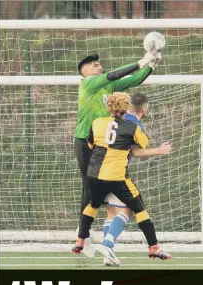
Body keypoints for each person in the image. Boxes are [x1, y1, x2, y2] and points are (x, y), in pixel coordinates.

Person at [73, 52, 160, 257]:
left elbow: (133, 80)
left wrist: (150, 66)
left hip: (105, 145)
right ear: (85, 71)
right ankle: (83, 237)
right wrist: (140, 61)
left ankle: (103, 240)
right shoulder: (89, 84)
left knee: (103, 191)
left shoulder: (106, 88)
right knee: (90, 188)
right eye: (95, 64)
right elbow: (113, 75)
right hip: (87, 142)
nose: (99, 66)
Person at [72, 92, 172, 265]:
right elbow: (142, 144)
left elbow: (90, 145)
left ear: (108, 106)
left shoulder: (96, 123)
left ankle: (81, 239)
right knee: (138, 209)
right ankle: (151, 247)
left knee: (94, 205)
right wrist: (158, 150)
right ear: (127, 108)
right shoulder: (132, 126)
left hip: (94, 174)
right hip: (116, 176)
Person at [101, 93, 150, 266]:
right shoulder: (133, 123)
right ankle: (108, 244)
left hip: (97, 170)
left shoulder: (108, 117)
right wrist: (158, 150)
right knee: (126, 211)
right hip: (116, 172)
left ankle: (108, 255)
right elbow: (136, 152)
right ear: (145, 108)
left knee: (111, 212)